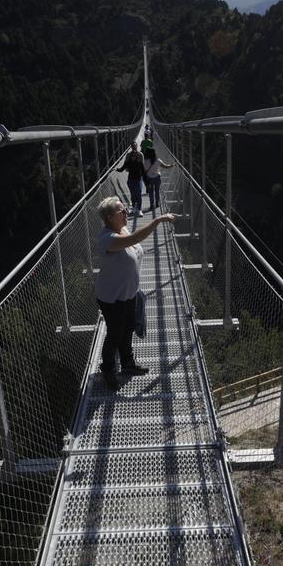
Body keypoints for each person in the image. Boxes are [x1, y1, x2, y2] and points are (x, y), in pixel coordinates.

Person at [94, 196, 175, 388]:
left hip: (129, 293)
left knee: (128, 327)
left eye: (125, 209)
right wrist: (158, 220)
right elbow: (135, 239)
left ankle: (128, 364)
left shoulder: (122, 228)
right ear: (109, 217)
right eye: (121, 211)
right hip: (111, 297)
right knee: (115, 334)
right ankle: (108, 369)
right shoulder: (106, 239)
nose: (126, 213)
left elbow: (132, 242)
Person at [142, 146, 173, 212]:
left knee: (151, 192)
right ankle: (157, 204)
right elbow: (165, 166)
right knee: (157, 191)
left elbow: (144, 170)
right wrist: (171, 165)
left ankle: (151, 205)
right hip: (157, 178)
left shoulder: (145, 161)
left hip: (149, 179)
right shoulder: (158, 160)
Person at [123, 143, 145, 216]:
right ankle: (134, 208)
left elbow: (142, 166)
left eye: (135, 146)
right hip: (131, 178)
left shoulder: (140, 155)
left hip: (138, 178)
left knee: (138, 194)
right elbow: (126, 167)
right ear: (131, 147)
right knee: (133, 194)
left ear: (137, 146)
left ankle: (139, 209)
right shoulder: (128, 155)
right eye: (132, 146)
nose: (134, 147)